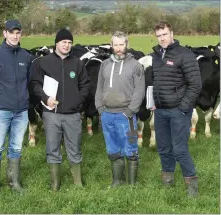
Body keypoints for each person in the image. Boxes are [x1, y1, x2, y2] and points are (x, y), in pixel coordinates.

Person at [29, 28, 90, 191]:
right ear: (57, 43)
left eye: (70, 42)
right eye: (64, 42)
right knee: (52, 148)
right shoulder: (43, 62)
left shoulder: (77, 63)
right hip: (51, 114)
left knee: (74, 147)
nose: (67, 45)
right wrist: (45, 98)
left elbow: (85, 85)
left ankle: (78, 182)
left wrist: (78, 101)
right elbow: (35, 84)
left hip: (72, 114)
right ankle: (55, 184)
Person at [151, 21, 201, 197]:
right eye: (159, 36)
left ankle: (192, 188)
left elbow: (195, 84)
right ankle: (168, 182)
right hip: (160, 111)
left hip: (178, 111)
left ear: (172, 33)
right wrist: (154, 102)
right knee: (164, 148)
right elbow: (156, 82)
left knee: (180, 149)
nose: (162, 38)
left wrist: (183, 107)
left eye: (164, 34)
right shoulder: (156, 55)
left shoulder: (185, 54)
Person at [0, 19, 31, 193]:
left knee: (16, 146)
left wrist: (24, 100)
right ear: (5, 33)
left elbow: (29, 82)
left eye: (18, 32)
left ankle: (14, 182)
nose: (15, 36)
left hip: (21, 111)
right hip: (1, 110)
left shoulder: (26, 56)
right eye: (12, 32)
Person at [95, 31, 145, 187]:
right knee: (112, 149)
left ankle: (132, 184)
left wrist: (130, 111)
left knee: (130, 149)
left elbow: (139, 90)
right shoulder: (104, 65)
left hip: (126, 116)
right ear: (111, 46)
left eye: (121, 44)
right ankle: (117, 181)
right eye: (115, 44)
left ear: (127, 45)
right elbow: (99, 89)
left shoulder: (136, 66)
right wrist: (100, 109)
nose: (118, 48)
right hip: (107, 114)